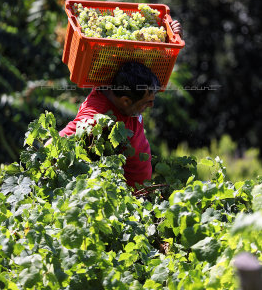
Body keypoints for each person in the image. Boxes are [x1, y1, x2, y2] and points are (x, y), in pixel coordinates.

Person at [57, 20, 183, 188]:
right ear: (125, 101)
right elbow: (58, 143)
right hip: (124, 202)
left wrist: (171, 36)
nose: (151, 107)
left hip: (141, 194)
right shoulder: (97, 116)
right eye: (147, 103)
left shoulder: (129, 85)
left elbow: (157, 57)